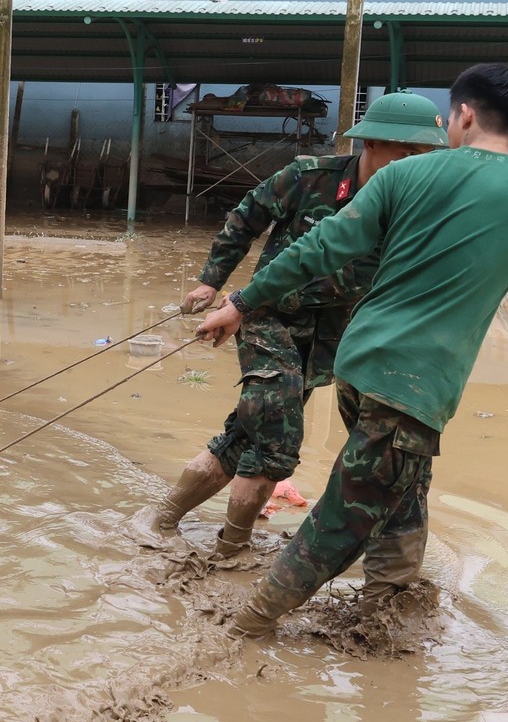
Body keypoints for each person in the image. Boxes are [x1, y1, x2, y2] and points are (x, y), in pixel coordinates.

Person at [194, 64, 508, 639]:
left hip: (357, 367)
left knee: (403, 485)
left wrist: (239, 301)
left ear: (463, 115)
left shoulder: (404, 176)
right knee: (348, 514)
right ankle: (244, 627)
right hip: (416, 385)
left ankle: (388, 605)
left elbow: (318, 249)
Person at [129, 93, 448, 605]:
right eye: (405, 153)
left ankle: (160, 519)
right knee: (277, 437)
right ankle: (231, 550)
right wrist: (212, 283)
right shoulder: (309, 176)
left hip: (334, 337)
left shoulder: (415, 205)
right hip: (266, 316)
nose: (415, 166)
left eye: (424, 155)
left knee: (244, 432)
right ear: (371, 143)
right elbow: (244, 219)